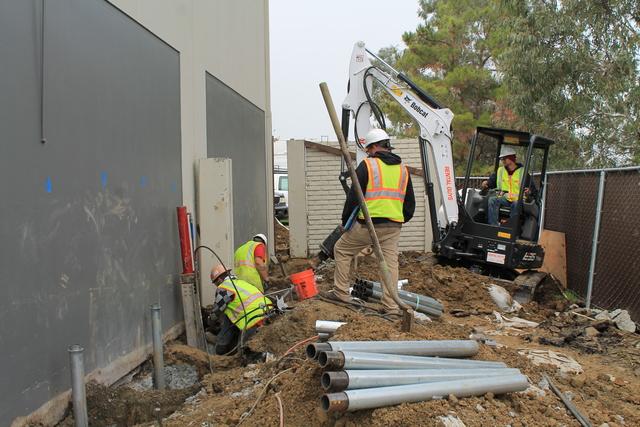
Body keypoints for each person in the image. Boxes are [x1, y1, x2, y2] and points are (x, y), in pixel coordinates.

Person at [322, 128, 415, 316]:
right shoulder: (403, 169)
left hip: (368, 225)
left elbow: (354, 197)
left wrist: (346, 220)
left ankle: (340, 292)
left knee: (342, 249)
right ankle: (390, 307)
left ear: (373, 147)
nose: (367, 152)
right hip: (393, 226)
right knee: (389, 265)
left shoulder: (368, 166)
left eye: (368, 149)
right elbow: (410, 204)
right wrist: (399, 218)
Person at [209, 264, 272, 356]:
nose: (216, 285)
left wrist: (210, 322)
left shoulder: (224, 288)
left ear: (219, 280)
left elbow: (217, 311)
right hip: (270, 312)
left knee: (244, 352)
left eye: (215, 283)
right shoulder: (241, 283)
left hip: (253, 319)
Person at [481, 146, 537, 226]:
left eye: (504, 158)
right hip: (505, 198)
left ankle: (511, 227)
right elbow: (491, 182)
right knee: (492, 200)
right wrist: (486, 183)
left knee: (516, 204)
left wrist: (529, 192)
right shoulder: (500, 171)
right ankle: (494, 226)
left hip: (518, 200)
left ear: (511, 158)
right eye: (501, 159)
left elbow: (532, 190)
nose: (502, 160)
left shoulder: (523, 172)